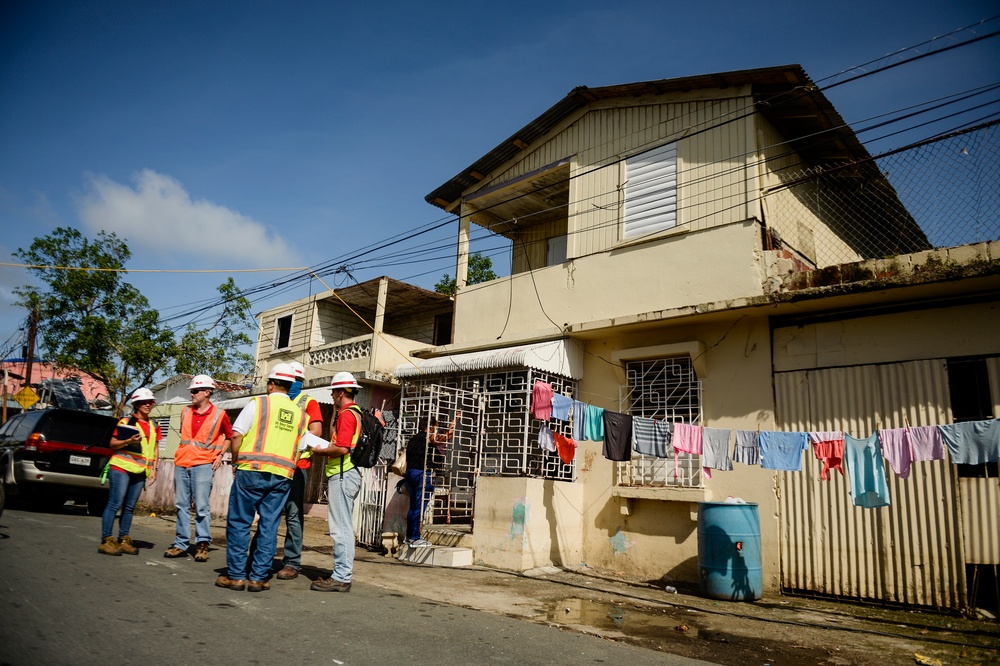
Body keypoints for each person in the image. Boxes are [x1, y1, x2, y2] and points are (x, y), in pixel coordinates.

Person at [215, 363, 309, 593]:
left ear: (271, 383)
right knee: (269, 526)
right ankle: (258, 578)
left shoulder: (258, 403)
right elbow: (302, 447)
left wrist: (237, 460)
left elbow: (236, 435)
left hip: (251, 470)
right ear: (290, 386)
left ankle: (237, 576)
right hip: (282, 476)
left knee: (240, 522)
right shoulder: (300, 414)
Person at [164, 374, 232, 561]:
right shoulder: (186, 412)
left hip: (203, 464)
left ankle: (202, 544)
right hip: (182, 463)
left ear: (207, 392)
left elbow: (230, 435)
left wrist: (220, 455)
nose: (192, 394)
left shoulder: (220, 414)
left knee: (201, 507)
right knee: (181, 506)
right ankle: (181, 544)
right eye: (192, 391)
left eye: (195, 391)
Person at [309, 371, 364, 592]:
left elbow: (341, 447)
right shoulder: (350, 413)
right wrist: (334, 412)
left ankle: (341, 576)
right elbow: (337, 437)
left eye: (333, 392)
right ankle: (341, 573)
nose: (331, 395)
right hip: (345, 473)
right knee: (342, 527)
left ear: (341, 392)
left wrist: (320, 451)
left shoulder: (348, 415)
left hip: (342, 474)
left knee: (340, 528)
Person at [273, 361, 324, 580]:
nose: (295, 384)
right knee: (271, 513)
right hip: (274, 464)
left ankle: (292, 562)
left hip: (296, 467)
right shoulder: (275, 400)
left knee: (293, 515)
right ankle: (263, 556)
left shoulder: (307, 402)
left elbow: (316, 431)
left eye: (298, 380)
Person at [99, 388, 159, 555]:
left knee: (129, 507)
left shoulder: (154, 425)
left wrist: (154, 469)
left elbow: (154, 448)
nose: (148, 404)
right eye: (144, 402)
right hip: (121, 467)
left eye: (151, 402)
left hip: (140, 471)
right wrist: (128, 440)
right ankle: (107, 540)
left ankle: (123, 539)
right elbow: (112, 444)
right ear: (137, 404)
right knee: (115, 503)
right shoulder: (126, 422)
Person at [404, 412, 460, 547]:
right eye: (435, 427)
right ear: (430, 427)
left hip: (410, 474)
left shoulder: (413, 439)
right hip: (422, 474)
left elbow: (444, 438)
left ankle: (409, 536)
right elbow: (445, 438)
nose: (436, 430)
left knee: (413, 506)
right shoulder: (428, 438)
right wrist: (455, 422)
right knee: (420, 506)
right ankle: (416, 537)